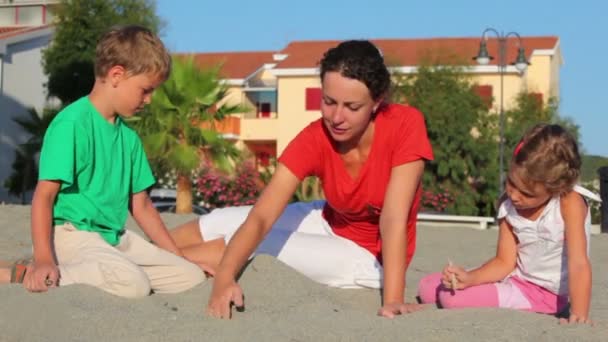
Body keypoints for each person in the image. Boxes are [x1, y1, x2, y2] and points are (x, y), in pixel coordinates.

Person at [167, 40, 434, 319]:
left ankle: (150, 265)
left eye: (352, 107)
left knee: (248, 246)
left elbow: (393, 218)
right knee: (218, 220)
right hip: (328, 218)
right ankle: (148, 253)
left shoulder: (406, 125)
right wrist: (223, 282)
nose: (337, 117)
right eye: (329, 102)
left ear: (377, 102)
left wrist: (392, 300)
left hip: (368, 256)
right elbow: (261, 216)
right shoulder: (315, 136)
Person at [0, 25, 205, 297]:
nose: (149, 99)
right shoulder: (71, 124)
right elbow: (44, 196)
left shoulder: (129, 139)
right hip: (72, 236)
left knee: (191, 276)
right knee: (134, 285)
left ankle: (111, 269)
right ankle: (29, 273)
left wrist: (178, 257)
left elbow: (142, 206)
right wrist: (43, 259)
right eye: (145, 90)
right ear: (117, 75)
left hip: (115, 239)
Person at [418, 123, 594, 324]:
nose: (515, 195)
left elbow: (578, 263)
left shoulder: (568, 202)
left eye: (527, 193)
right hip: (514, 277)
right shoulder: (507, 203)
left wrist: (579, 315)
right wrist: (470, 278)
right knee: (428, 287)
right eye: (510, 182)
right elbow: (504, 261)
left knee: (450, 298)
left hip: (544, 294)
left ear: (556, 187)